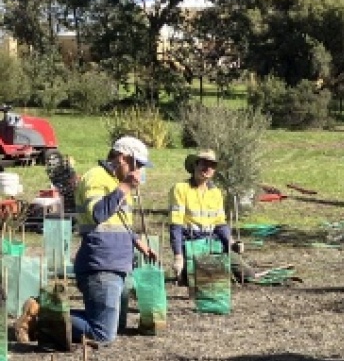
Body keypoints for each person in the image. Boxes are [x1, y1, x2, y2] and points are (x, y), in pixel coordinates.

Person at [70, 135, 156, 344]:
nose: (140, 172)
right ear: (122, 158)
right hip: (100, 264)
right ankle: (43, 313)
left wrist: (137, 241)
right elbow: (97, 214)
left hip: (115, 263)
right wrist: (125, 187)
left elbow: (117, 221)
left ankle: (50, 313)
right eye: (139, 165)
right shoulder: (97, 177)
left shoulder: (116, 182)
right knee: (103, 334)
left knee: (112, 325)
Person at [168, 149, 243, 283]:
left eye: (212, 165)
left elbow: (220, 224)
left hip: (212, 244)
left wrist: (231, 243)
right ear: (195, 165)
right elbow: (176, 225)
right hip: (190, 244)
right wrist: (178, 257)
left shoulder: (215, 192)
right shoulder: (180, 189)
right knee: (203, 281)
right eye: (204, 164)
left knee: (246, 273)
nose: (208, 168)